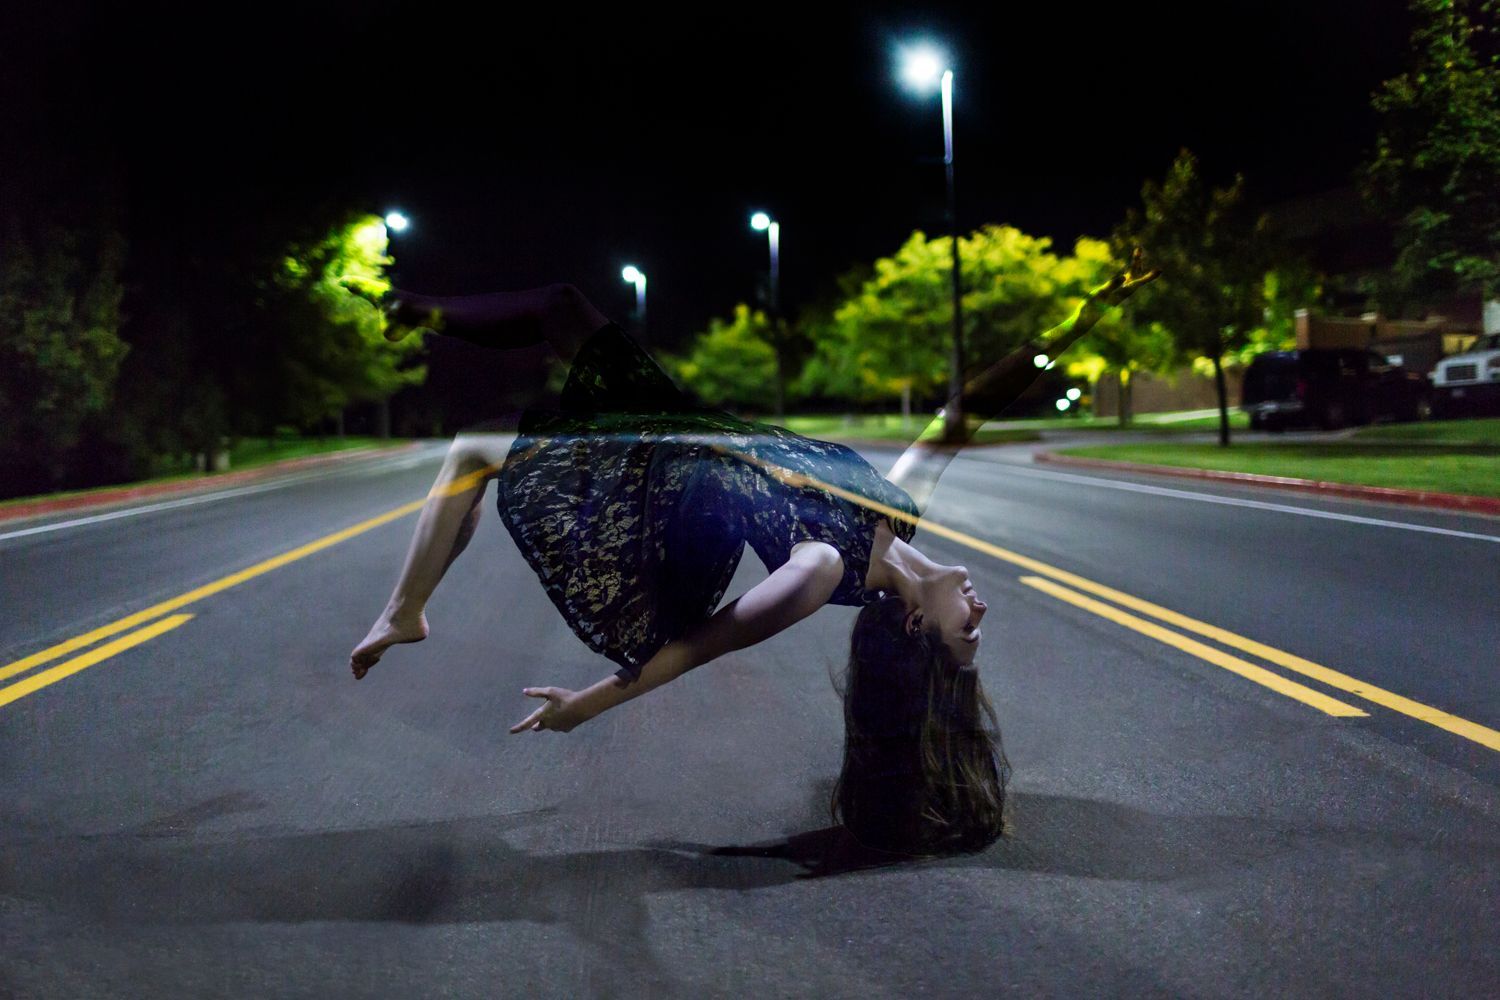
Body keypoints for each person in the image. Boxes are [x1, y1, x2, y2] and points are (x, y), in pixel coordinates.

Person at [347, 251, 1159, 855]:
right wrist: (1081, 318)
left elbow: (703, 644)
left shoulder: (823, 571)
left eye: (968, 629)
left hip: (671, 501)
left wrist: (585, 705)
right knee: (556, 310)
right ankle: (414, 313)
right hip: (695, 431)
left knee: (478, 452)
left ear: (915, 626)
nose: (981, 608)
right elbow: (965, 410)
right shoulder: (898, 513)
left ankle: (404, 610)